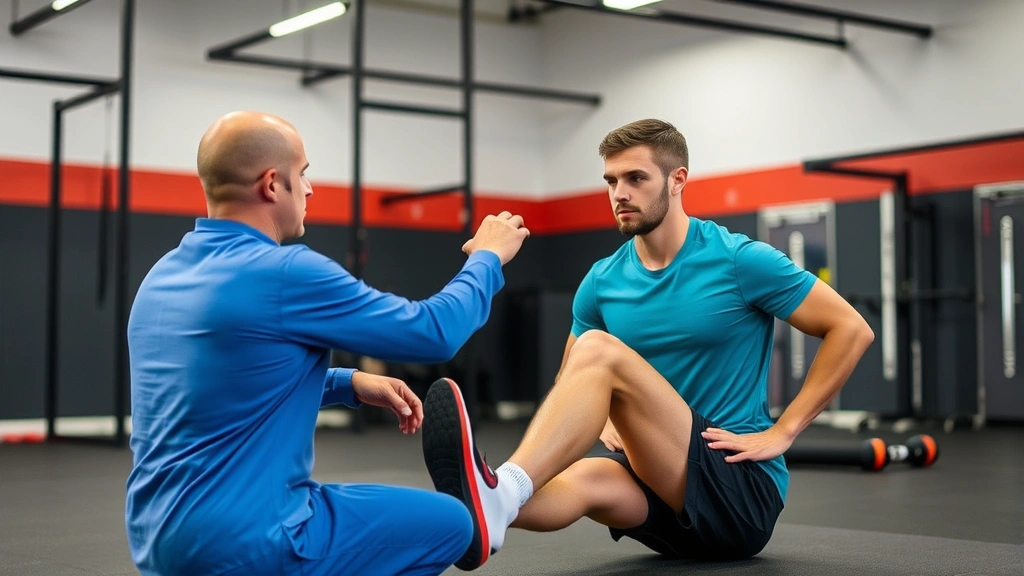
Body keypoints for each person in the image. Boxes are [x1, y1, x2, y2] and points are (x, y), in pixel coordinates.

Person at [421, 118, 875, 570]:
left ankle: (500, 489)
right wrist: (602, 424)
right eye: (611, 180)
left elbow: (851, 329)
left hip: (738, 489)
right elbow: (571, 378)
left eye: (636, 178)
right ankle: (468, 512)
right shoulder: (602, 280)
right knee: (586, 477)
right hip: (659, 493)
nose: (620, 193)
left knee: (599, 349)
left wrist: (785, 430)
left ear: (678, 181)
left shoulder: (739, 260)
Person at [124, 110, 530, 576]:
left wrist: (347, 383)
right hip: (248, 543)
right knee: (453, 524)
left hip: (157, 541)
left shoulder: (162, 276)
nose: (311, 188)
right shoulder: (285, 272)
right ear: (273, 185)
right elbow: (432, 332)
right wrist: (487, 258)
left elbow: (221, 386)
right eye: (304, 173)